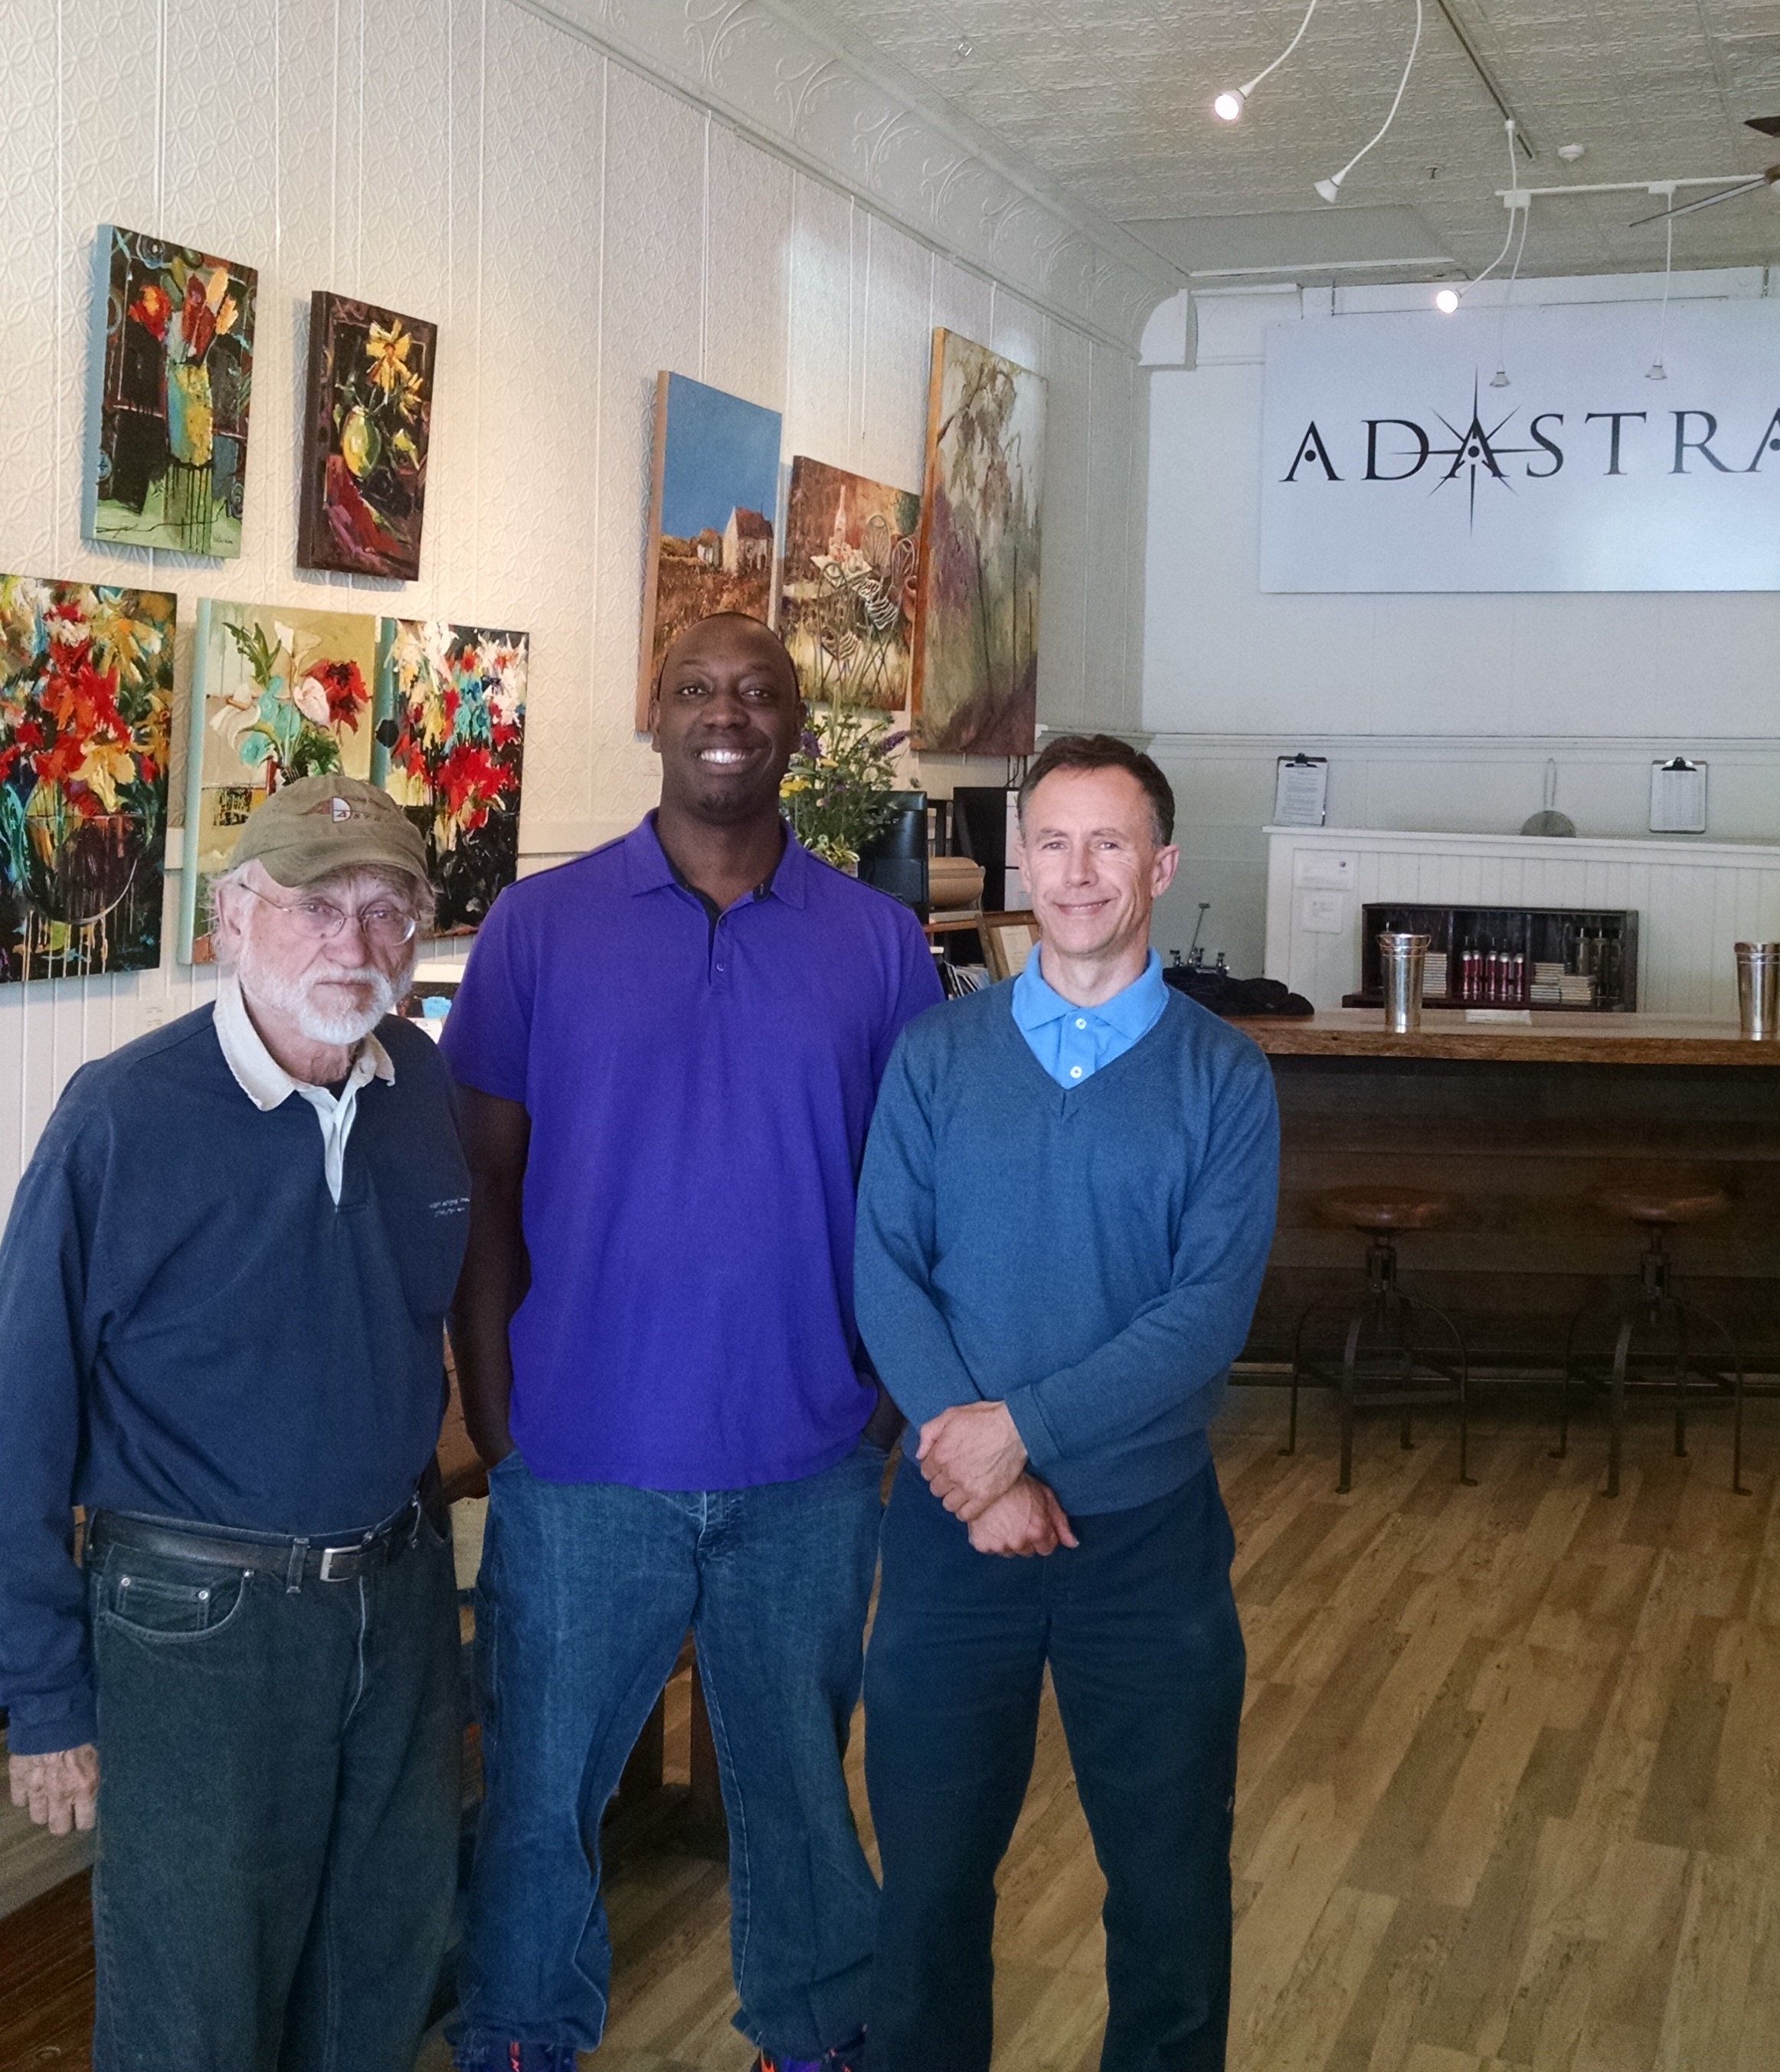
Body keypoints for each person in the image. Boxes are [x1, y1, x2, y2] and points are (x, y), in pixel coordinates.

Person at [441, 612, 941, 2072]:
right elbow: (482, 1188)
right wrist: (502, 1414)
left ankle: (818, 2031)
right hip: (581, 1461)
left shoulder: (878, 942)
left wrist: (879, 1405)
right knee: (541, 1788)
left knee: (796, 1786)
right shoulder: (539, 927)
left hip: (806, 1460)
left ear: (798, 727)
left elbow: (917, 1193)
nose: (729, 713)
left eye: (760, 692)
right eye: (699, 688)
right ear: (654, 714)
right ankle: (520, 2037)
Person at [0, 775, 470, 2072]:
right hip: (197, 1625)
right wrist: (41, 1694)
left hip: (396, 1597)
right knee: (193, 2013)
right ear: (230, 921)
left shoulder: (420, 1082)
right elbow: (20, 1409)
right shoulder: (124, 1113)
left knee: (379, 1972)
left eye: (387, 908)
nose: (355, 941)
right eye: (317, 905)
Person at [854, 733, 1281, 2072]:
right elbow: (884, 1272)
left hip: (1146, 1546)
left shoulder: (1226, 1078)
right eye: (1053, 841)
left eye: (1110, 843)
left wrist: (1020, 1433)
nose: (1080, 871)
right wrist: (976, 1468)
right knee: (926, 1894)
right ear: (1020, 861)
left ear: (1161, 865)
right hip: (951, 1537)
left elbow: (1204, 1319)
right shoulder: (936, 1056)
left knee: (1169, 1897)